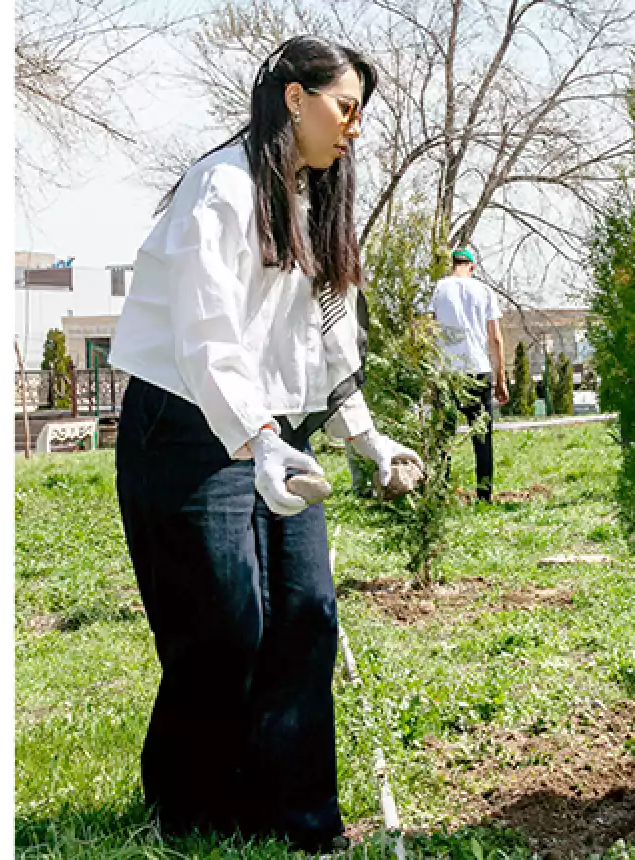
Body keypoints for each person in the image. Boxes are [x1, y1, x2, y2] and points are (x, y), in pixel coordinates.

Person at [108, 36, 423, 852]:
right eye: (344, 107)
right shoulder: (221, 187)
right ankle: (194, 811)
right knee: (225, 627)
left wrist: (365, 436)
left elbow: (327, 330)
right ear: (294, 98)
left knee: (307, 614)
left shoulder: (313, 198)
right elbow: (206, 334)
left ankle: (299, 818)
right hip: (185, 424)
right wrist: (256, 438)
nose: (354, 127)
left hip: (276, 430)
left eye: (360, 113)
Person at [429, 247, 509, 502]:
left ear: (453, 264)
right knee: (482, 436)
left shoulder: (439, 289)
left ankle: (441, 492)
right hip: (478, 369)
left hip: (447, 371)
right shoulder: (484, 291)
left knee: (444, 435)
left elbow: (427, 330)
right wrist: (501, 379)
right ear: (472, 267)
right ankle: (484, 494)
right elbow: (495, 338)